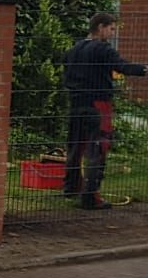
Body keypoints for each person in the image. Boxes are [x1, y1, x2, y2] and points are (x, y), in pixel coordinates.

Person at [62, 11, 147, 209]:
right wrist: (144, 69)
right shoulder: (102, 49)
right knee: (98, 147)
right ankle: (90, 197)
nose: (112, 33)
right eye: (111, 29)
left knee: (76, 146)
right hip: (98, 103)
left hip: (76, 103)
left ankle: (71, 188)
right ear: (100, 27)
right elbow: (122, 66)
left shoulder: (74, 49)